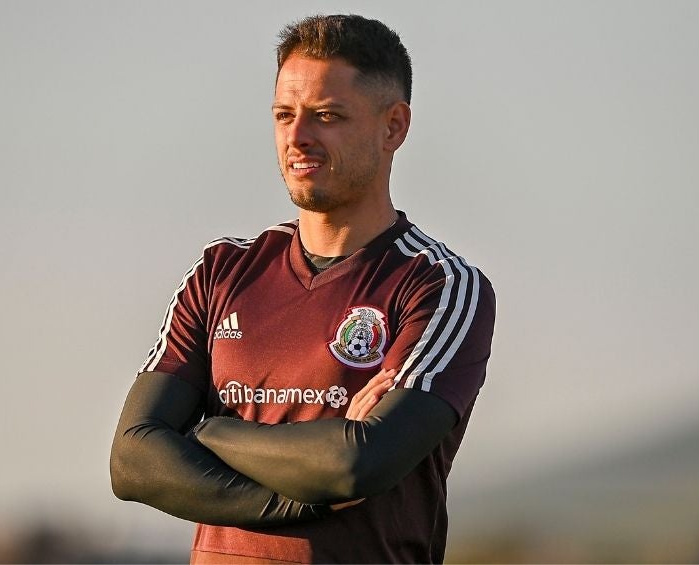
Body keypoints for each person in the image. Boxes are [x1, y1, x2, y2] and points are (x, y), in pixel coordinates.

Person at [110, 14, 496, 564]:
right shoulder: (223, 271)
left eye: (327, 116)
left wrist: (207, 431)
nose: (297, 137)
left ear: (394, 127)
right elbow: (132, 460)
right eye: (284, 115)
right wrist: (304, 497)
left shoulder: (438, 286)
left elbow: (357, 464)